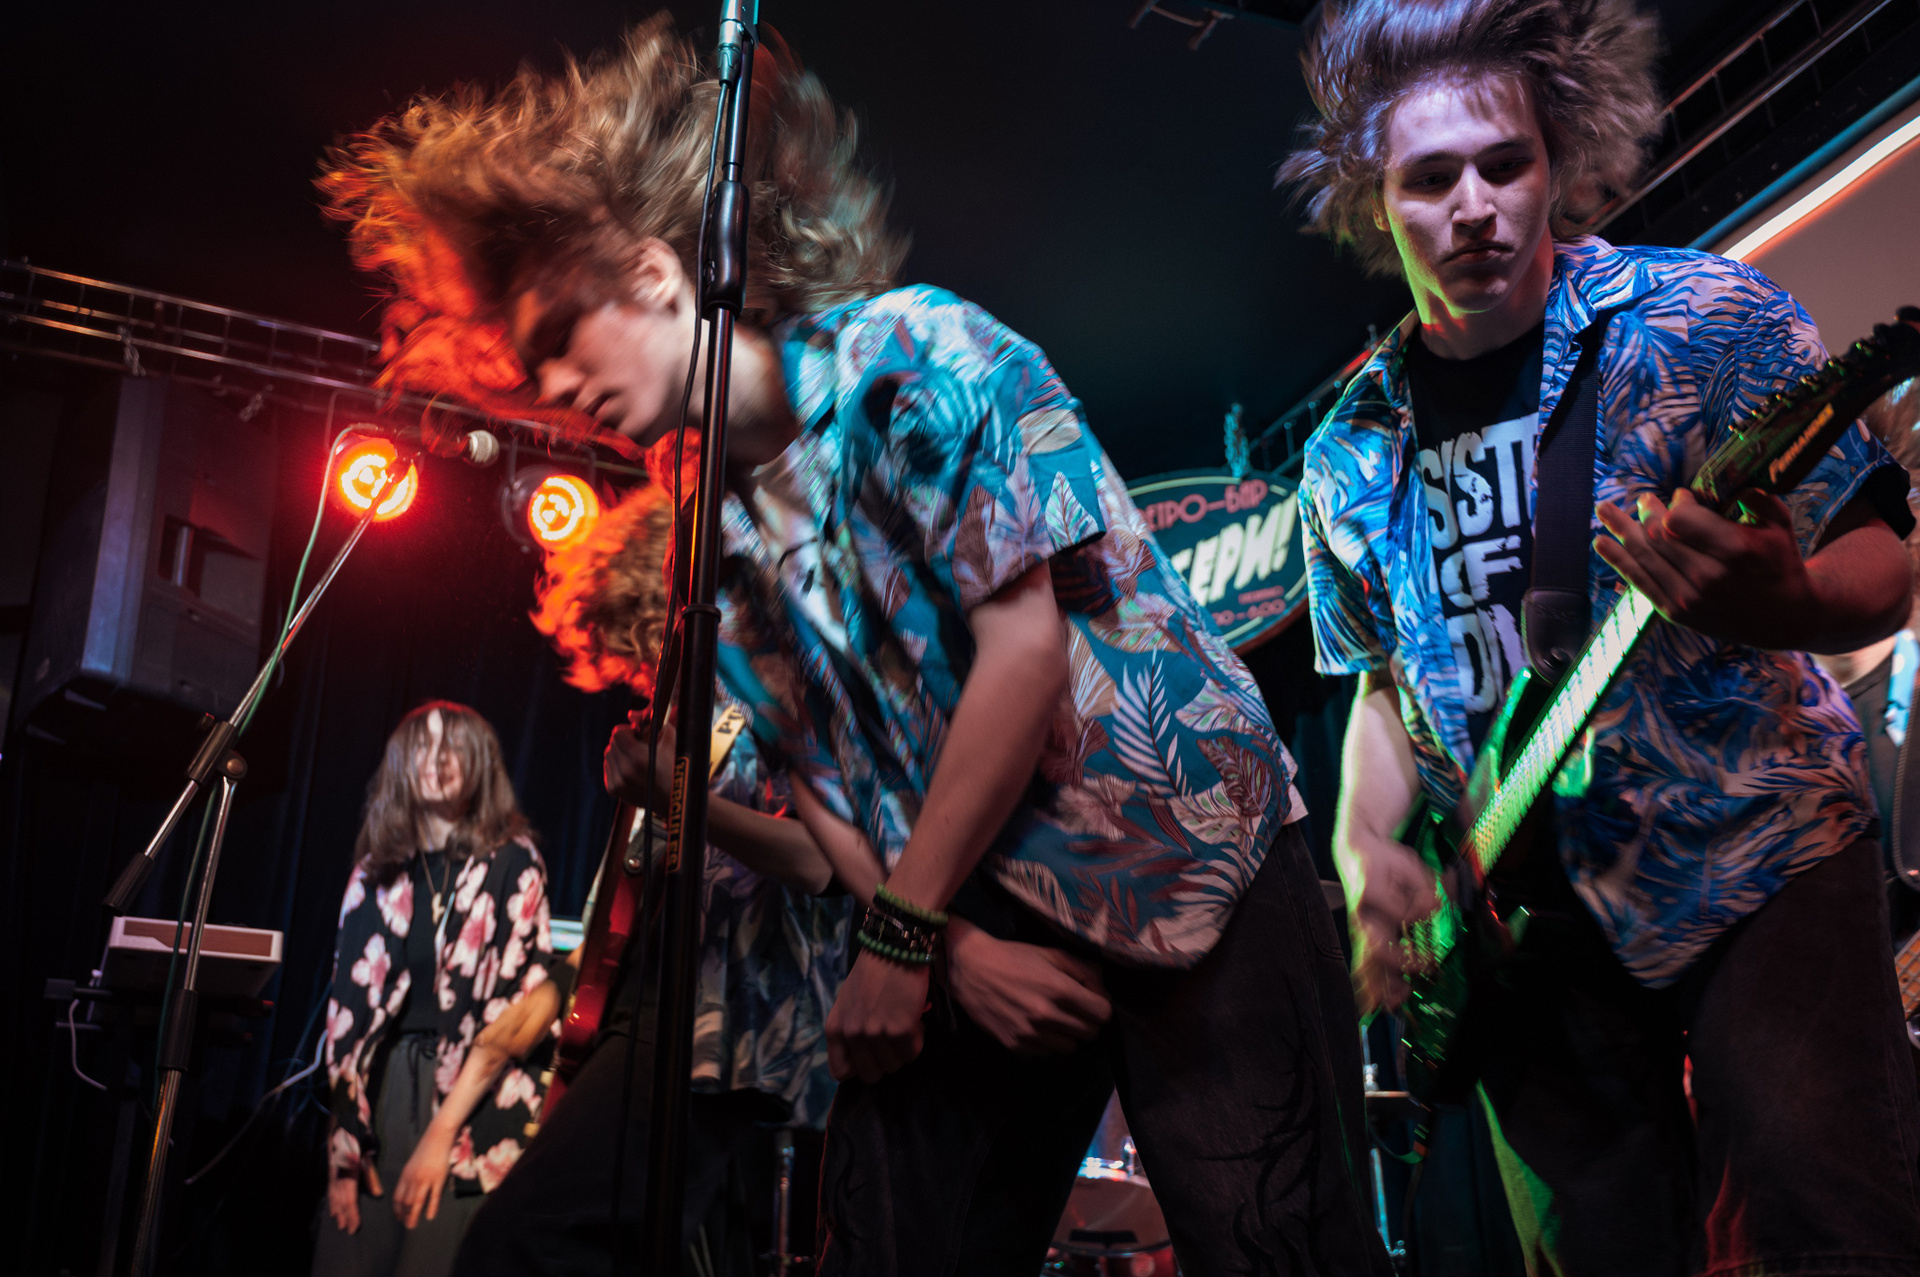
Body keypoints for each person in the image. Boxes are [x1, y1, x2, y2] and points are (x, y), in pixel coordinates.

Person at [319, 16, 1390, 1277]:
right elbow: (825, 783)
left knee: (1282, 1247)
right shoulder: (707, 545)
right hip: (975, 902)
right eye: (530, 365)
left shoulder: (911, 355)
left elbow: (1025, 655)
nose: (551, 386)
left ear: (657, 275)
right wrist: (950, 945)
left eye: (561, 334)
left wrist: (901, 938)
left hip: (1188, 851)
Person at [1282, 1, 1920, 1272]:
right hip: (1520, 937)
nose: (1476, 208)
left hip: (1758, 851)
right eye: (1431, 178)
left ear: (1555, 163)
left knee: (1827, 1230)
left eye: (1505, 164)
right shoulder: (1346, 453)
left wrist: (1785, 601)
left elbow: (1885, 570)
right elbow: (1387, 690)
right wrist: (1361, 844)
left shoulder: (1700, 317)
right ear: (1375, 201)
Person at [439, 479, 874, 1277]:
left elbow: (822, 861)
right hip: (657, 1009)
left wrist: (674, 793)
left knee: (519, 1243)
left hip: (720, 1027)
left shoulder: (771, 682)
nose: (622, 669)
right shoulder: (693, 711)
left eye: (616, 643)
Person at [316, 702, 556, 1277]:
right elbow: (345, 1020)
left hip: (473, 1098)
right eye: (422, 746)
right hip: (384, 1091)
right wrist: (344, 1140)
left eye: (452, 747)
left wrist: (440, 1136)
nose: (436, 759)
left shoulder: (513, 862)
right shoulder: (376, 871)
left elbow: (513, 1019)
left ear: (480, 764)